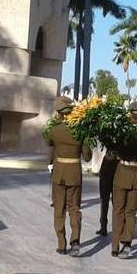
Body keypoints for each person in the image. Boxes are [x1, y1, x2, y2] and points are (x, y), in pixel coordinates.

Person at [46, 96, 92, 256]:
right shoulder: (81, 131)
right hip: (74, 174)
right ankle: (75, 243)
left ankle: (61, 244)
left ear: (59, 113)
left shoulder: (54, 130)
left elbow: (49, 144)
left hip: (59, 174)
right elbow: (87, 157)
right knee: (74, 209)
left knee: (59, 210)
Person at [110, 101, 137, 259]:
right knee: (131, 212)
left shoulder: (123, 133)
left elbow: (114, 150)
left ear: (131, 115)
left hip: (123, 171)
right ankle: (127, 244)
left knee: (118, 210)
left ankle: (115, 246)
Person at [95, 149, 119, 236]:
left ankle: (104, 227)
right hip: (116, 167)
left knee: (105, 201)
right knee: (115, 203)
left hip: (109, 168)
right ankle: (116, 228)